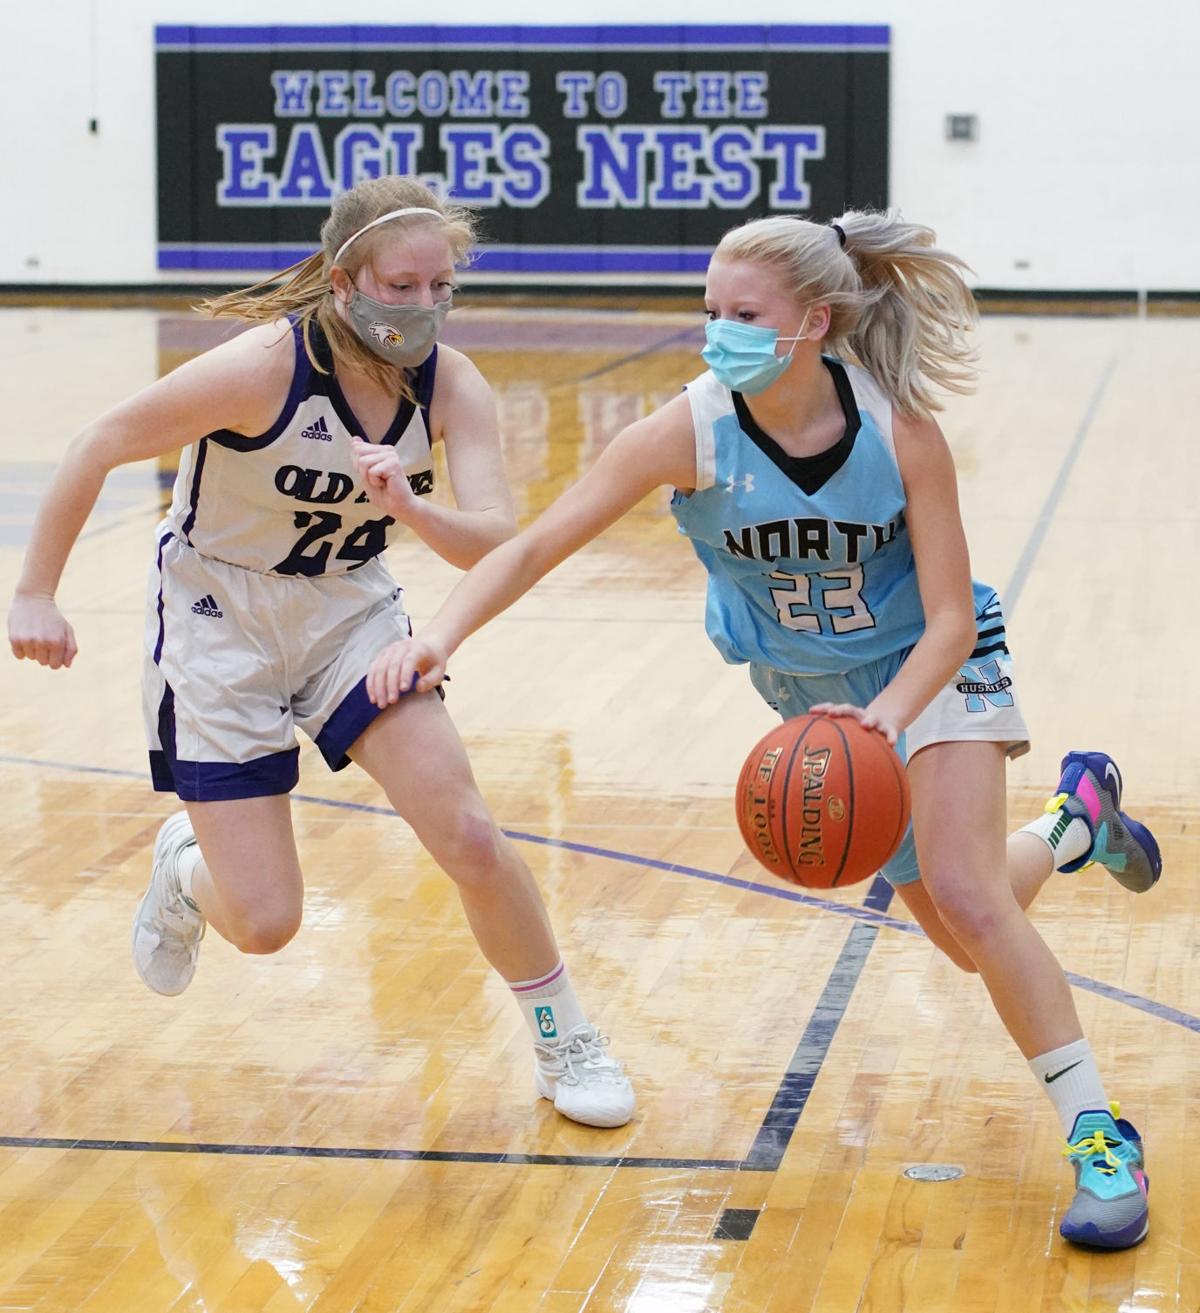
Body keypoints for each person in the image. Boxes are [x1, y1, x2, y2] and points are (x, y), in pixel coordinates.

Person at [355, 210, 1161, 1248]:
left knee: (965, 895)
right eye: (710, 310)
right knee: (970, 936)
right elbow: (537, 544)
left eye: (744, 313)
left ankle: (1100, 1135)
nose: (718, 331)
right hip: (810, 692)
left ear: (814, 321)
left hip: (930, 670)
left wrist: (888, 717)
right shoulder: (687, 431)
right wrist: (441, 634)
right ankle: (1075, 823)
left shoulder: (899, 427)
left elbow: (953, 617)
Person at [6, 175, 634, 1130]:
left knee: (466, 830)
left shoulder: (451, 383)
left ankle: (565, 1035)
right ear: (345, 282)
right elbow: (99, 443)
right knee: (264, 923)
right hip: (221, 612)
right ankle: (184, 868)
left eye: (441, 286)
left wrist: (413, 509)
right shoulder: (263, 364)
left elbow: (498, 538)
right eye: (403, 285)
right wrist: (35, 591)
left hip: (350, 610)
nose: (425, 305)